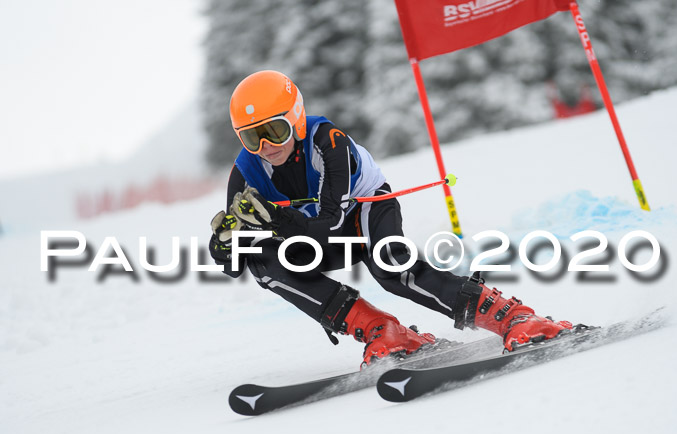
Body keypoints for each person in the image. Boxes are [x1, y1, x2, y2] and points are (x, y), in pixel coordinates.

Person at [209, 70, 574, 367]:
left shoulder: (328, 142)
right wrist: (227, 249)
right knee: (263, 263)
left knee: (392, 268)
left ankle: (513, 317)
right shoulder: (246, 171)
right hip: (315, 235)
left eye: (275, 130)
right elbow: (237, 260)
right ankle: (384, 330)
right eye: (251, 137)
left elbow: (330, 223)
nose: (266, 146)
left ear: (297, 118)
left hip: (363, 213)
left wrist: (277, 220)